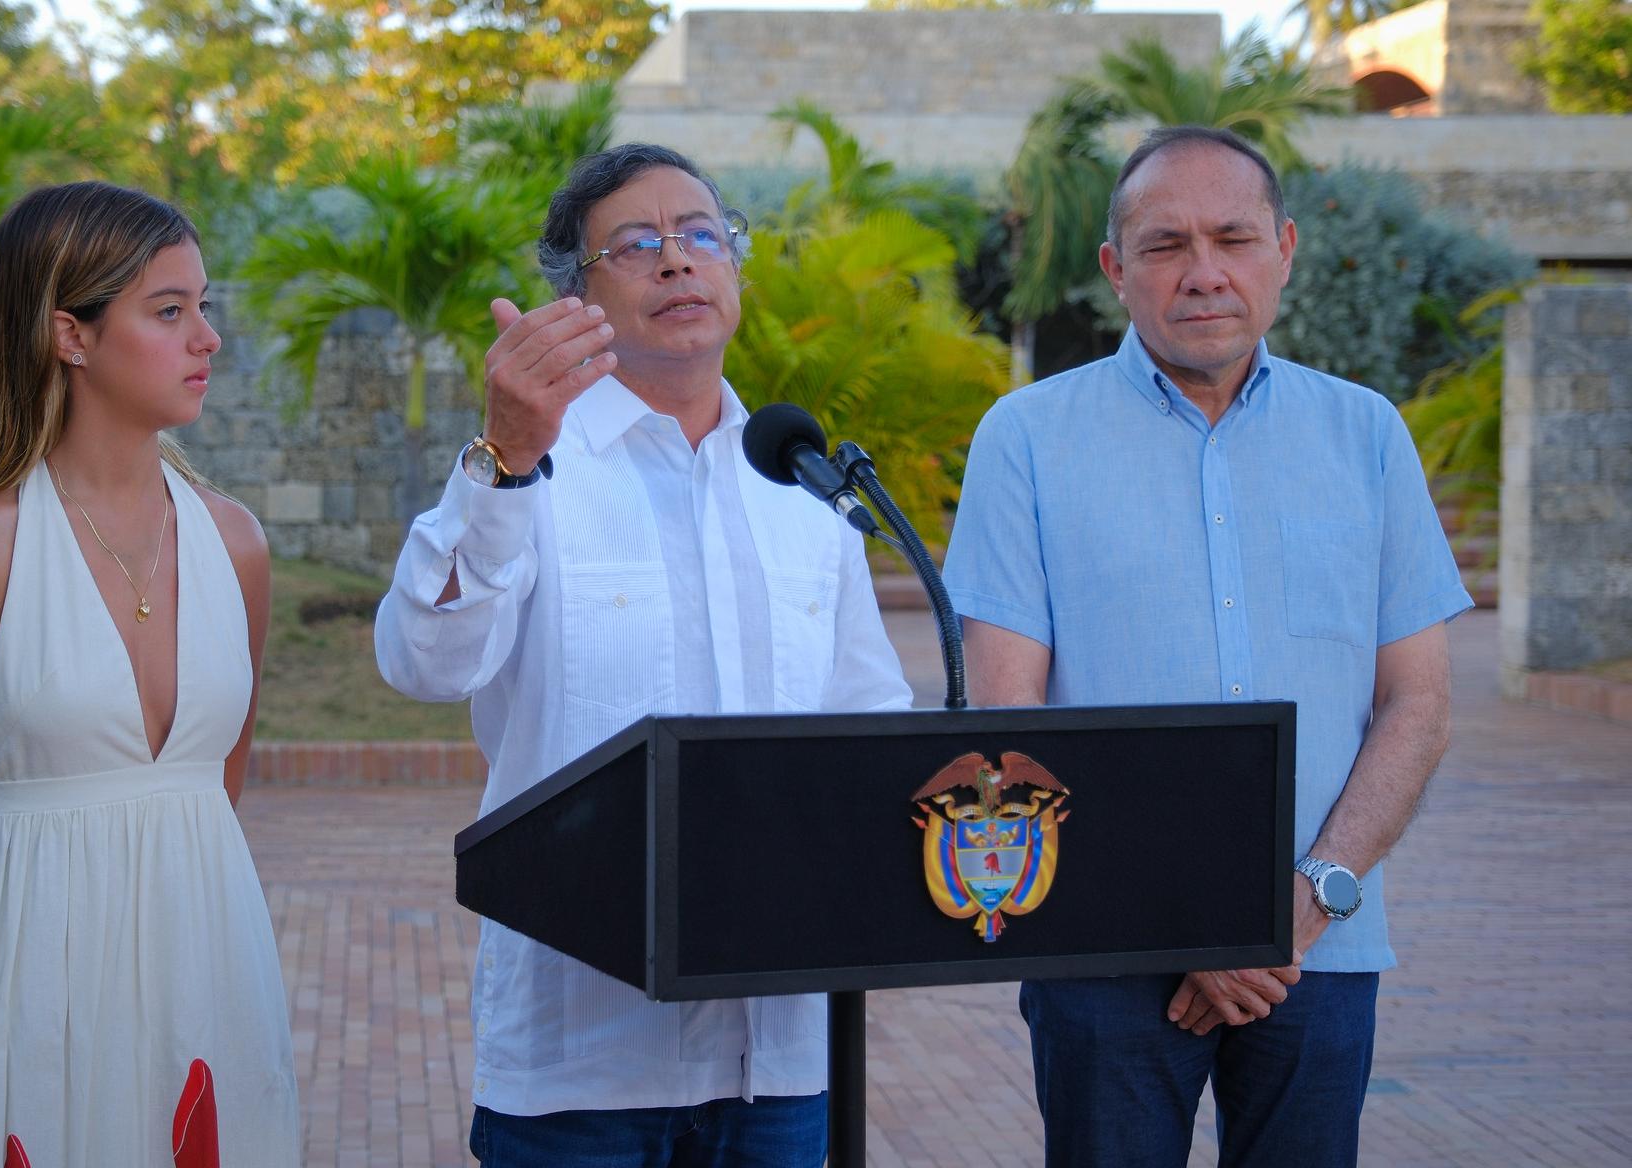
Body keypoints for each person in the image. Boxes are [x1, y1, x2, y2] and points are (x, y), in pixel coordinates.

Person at [374, 143, 913, 1166]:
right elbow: (421, 660)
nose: (678, 262)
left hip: (786, 1056)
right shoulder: (531, 471)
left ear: (735, 271)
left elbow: (869, 731)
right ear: (575, 296)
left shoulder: (804, 489)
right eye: (636, 246)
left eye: (702, 236)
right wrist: (502, 462)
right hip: (582, 1067)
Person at [944, 125, 1470, 1167]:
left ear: (1282, 248)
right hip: (1101, 948)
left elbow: (1417, 704)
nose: (1203, 273)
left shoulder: (1366, 435)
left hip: (1319, 948)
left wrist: (1306, 900)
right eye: (1163, 244)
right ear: (1114, 270)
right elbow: (1006, 724)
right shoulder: (1027, 437)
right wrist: (1184, 924)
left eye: (1232, 238)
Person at [0, 181, 299, 1166]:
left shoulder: (236, 545)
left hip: (211, 985)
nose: (208, 338)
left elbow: (215, 793)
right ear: (71, 334)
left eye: (205, 306)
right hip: (23, 1013)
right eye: (170, 310)